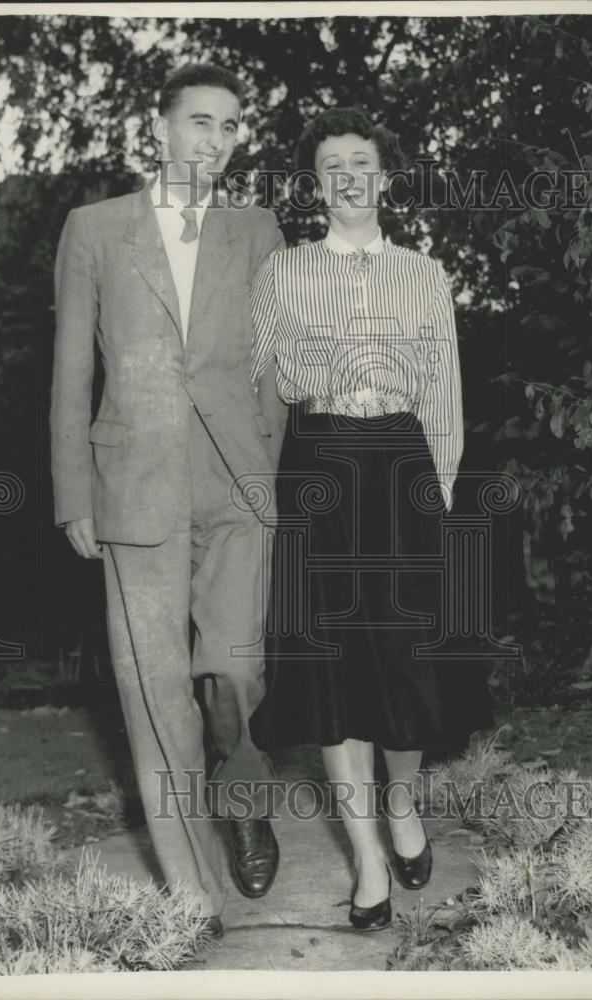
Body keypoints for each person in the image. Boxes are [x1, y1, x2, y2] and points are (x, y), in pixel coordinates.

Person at [50, 63, 286, 937]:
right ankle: (194, 895)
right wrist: (75, 490)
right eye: (199, 122)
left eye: (229, 126)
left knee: (233, 669)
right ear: (156, 127)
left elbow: (273, 370)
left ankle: (244, 785)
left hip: (236, 486)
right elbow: (73, 370)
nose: (215, 142)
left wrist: (266, 473)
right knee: (153, 696)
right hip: (134, 487)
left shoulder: (257, 228)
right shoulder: (95, 230)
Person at [249, 107, 493, 931]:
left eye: (361, 162)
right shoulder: (282, 272)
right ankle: (365, 860)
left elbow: (445, 398)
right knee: (330, 669)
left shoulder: (426, 275)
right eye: (330, 166)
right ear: (316, 185)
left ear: (385, 177)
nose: (348, 177)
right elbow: (269, 384)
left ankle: (403, 805)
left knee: (403, 654)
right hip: (318, 468)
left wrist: (443, 501)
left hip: (401, 469)